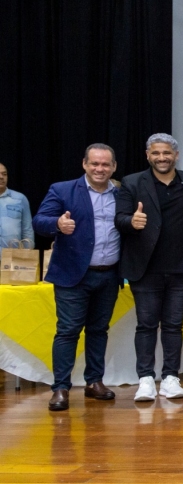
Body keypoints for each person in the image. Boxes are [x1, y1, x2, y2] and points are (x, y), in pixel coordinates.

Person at [115, 133, 183, 402]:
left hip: (182, 269)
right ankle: (146, 379)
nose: (162, 158)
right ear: (148, 155)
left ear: (176, 155)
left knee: (173, 325)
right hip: (145, 270)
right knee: (146, 325)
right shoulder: (132, 182)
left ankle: (171, 378)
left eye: (167, 153)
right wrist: (130, 221)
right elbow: (120, 217)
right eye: (156, 153)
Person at [32, 144, 120, 411]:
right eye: (94, 163)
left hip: (109, 275)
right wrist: (57, 224)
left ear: (113, 167)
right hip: (72, 275)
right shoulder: (63, 190)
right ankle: (60, 388)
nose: (99, 169)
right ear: (84, 164)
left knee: (98, 331)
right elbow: (39, 220)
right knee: (68, 332)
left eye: (105, 164)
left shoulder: (122, 193)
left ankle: (94, 382)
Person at [0, 162, 34, 248]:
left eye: (4, 174)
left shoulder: (20, 199)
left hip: (13, 258)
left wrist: (26, 255)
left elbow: (27, 230)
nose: (1, 177)